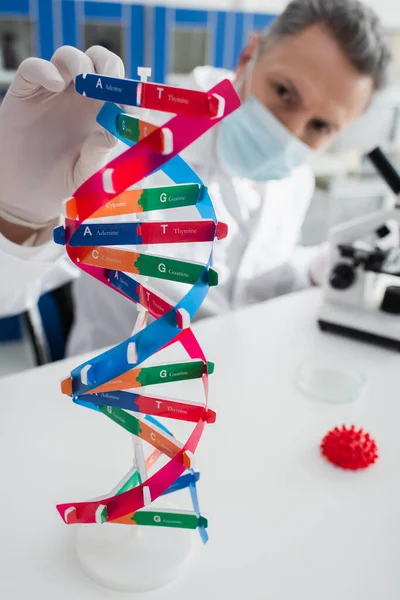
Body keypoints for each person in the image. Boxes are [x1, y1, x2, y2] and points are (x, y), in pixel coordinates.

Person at [0, 0, 392, 357]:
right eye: (284, 92)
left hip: (237, 376)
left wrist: (314, 267)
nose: (289, 133)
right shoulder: (126, 147)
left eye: (321, 126)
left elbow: (255, 282)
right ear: (248, 56)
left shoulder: (295, 179)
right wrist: (17, 214)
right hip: (122, 399)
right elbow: (7, 295)